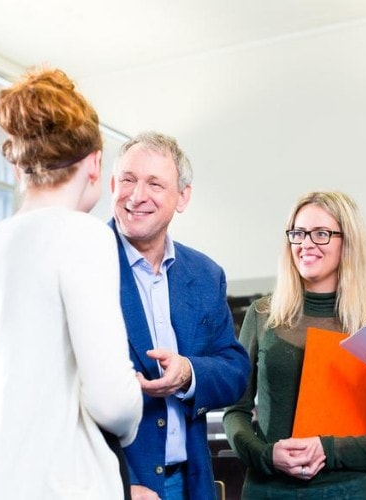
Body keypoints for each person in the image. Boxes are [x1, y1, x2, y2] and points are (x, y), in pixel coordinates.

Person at [0, 67, 142, 499]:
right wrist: (130, 417)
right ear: (95, 163)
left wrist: (10, 432)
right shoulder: (83, 233)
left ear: (20, 167)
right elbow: (113, 402)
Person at [223, 191, 366, 499]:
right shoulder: (262, 315)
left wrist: (328, 450)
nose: (306, 244)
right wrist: (264, 455)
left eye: (321, 234)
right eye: (298, 233)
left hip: (345, 491)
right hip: (268, 490)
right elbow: (236, 410)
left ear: (347, 242)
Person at [109, 131, 250, 500]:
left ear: (182, 197)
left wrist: (189, 372)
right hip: (114, 483)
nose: (137, 195)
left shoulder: (206, 274)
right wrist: (117, 486)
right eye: (128, 179)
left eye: (155, 183)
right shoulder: (83, 261)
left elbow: (234, 369)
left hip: (189, 482)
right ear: (112, 184)